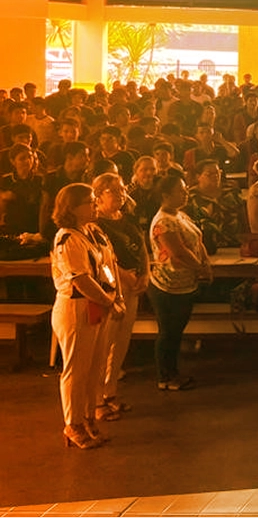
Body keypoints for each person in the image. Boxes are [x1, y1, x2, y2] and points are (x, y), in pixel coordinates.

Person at [50, 183, 123, 449]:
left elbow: (109, 264)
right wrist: (108, 301)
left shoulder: (94, 231)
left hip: (100, 304)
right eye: (90, 201)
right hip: (77, 307)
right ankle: (73, 423)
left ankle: (89, 417)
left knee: (94, 368)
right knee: (76, 369)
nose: (95, 205)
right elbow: (81, 279)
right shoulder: (67, 238)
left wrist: (118, 296)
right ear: (72, 207)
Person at [91, 172, 149, 421]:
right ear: (98, 195)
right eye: (113, 191)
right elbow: (104, 257)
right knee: (104, 343)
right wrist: (123, 276)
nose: (120, 195)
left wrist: (146, 273)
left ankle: (111, 391)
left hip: (134, 283)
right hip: (111, 286)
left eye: (122, 189)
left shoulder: (128, 218)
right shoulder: (96, 224)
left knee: (122, 341)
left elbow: (142, 244)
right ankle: (96, 399)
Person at [148, 171, 211, 390]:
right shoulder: (163, 222)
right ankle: (165, 376)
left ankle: (173, 373)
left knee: (176, 332)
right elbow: (178, 253)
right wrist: (200, 268)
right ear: (165, 195)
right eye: (180, 191)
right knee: (168, 332)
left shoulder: (179, 215)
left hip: (185, 283)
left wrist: (205, 264)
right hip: (168, 285)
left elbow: (197, 240)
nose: (185, 194)